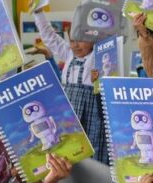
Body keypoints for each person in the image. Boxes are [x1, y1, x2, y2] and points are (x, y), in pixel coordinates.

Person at [32, 1, 109, 167]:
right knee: (69, 158)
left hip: (92, 120)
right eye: (72, 40)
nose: (76, 45)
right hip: (69, 116)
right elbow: (49, 37)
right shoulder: (68, 54)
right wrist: (38, 12)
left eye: (82, 40)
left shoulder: (98, 56)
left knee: (92, 159)